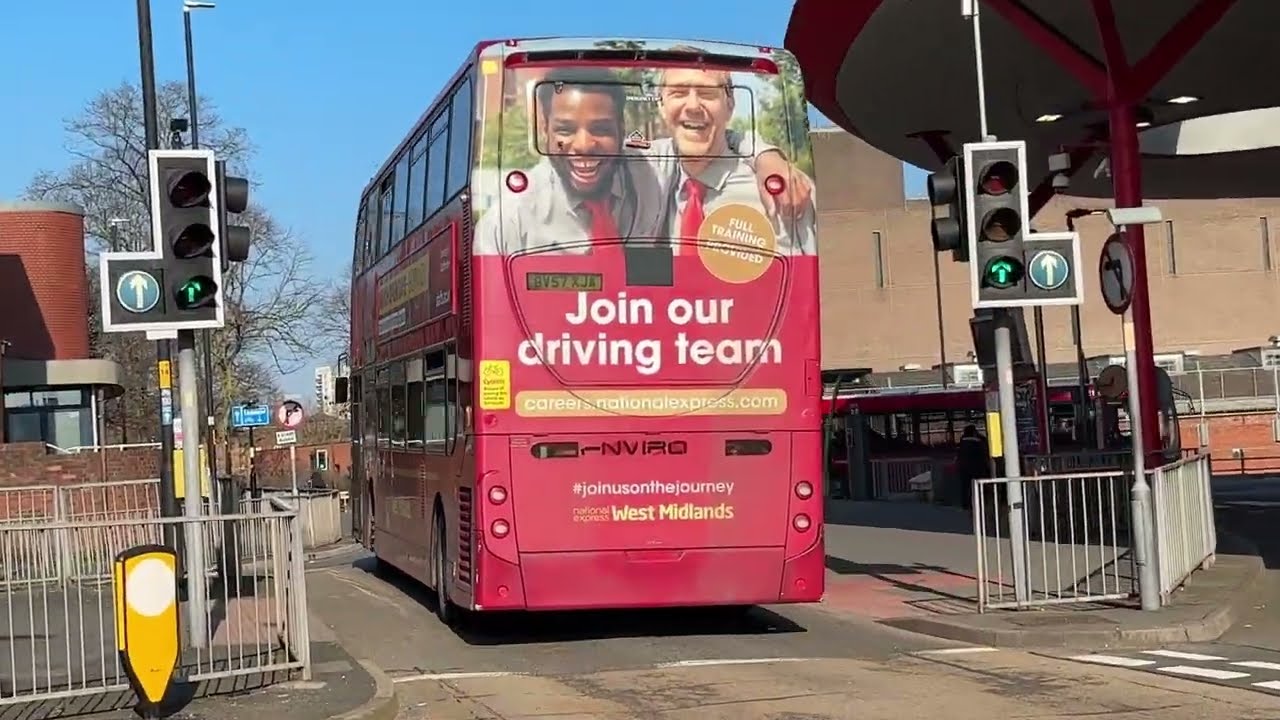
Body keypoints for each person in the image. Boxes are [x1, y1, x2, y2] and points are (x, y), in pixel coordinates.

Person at [474, 65, 813, 256]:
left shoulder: (780, 192)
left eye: (707, 93)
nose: (584, 145)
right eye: (678, 93)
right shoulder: (509, 221)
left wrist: (767, 157)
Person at [655, 63, 818, 256]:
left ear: (730, 105)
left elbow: (812, 269)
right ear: (661, 106)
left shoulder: (785, 192)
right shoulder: (644, 183)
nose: (693, 106)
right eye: (678, 93)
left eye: (707, 93)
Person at [954, 424, 990, 511]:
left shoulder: (962, 442)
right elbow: (984, 455)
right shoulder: (979, 442)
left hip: (964, 468)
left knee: (965, 487)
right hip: (977, 468)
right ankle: (979, 503)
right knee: (978, 486)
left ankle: (966, 505)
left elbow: (959, 456)